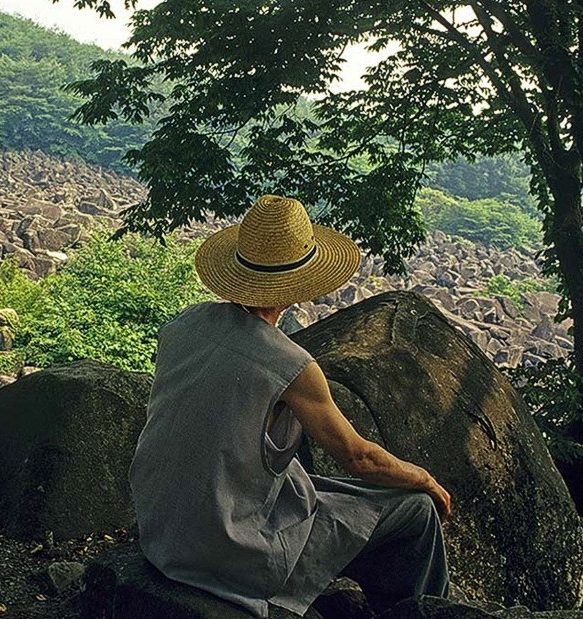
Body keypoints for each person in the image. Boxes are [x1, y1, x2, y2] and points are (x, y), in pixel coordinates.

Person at [129, 194, 453, 618]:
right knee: (416, 509)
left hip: (162, 531)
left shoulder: (185, 324)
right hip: (228, 551)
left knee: (318, 489)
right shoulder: (290, 364)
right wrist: (424, 478)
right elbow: (357, 458)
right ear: (301, 282)